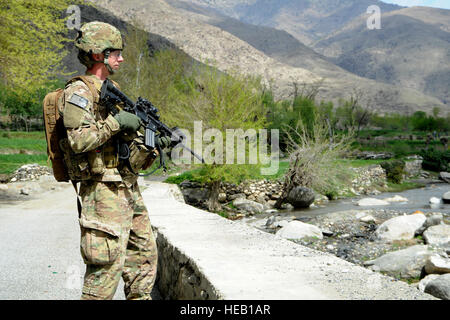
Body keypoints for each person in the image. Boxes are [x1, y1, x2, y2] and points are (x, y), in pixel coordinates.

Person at [62, 21, 158, 300]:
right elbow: (78, 140)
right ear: (97, 55)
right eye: (115, 53)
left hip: (126, 186)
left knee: (144, 260)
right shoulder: (78, 92)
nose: (121, 58)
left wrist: (150, 142)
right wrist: (116, 123)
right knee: (105, 269)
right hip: (102, 191)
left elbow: (122, 145)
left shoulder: (112, 89)